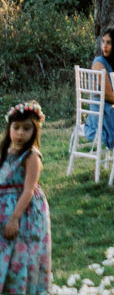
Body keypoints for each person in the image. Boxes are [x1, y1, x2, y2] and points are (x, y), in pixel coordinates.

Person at [0, 100, 51, 295]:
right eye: (16, 128)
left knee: (21, 256)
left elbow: (29, 190)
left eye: (26, 129)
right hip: (3, 210)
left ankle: (22, 290)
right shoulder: (6, 152)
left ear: (35, 131)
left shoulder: (31, 157)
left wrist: (14, 218)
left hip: (23, 214)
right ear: (9, 128)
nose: (20, 133)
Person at [86, 24, 114, 150]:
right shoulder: (99, 63)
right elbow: (109, 96)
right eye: (103, 42)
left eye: (109, 43)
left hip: (112, 111)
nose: (104, 46)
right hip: (103, 115)